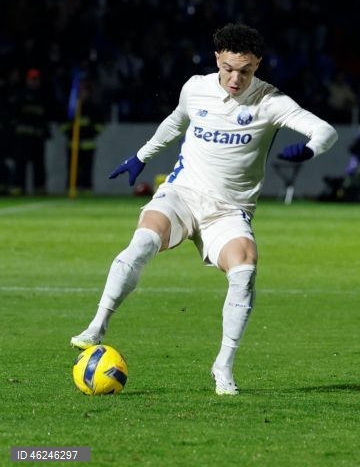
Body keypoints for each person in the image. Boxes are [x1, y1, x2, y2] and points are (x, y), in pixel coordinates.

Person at [70, 24, 338, 395]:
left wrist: (309, 150)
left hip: (229, 210)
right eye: (228, 68)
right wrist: (142, 156)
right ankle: (97, 326)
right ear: (217, 59)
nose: (235, 79)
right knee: (143, 241)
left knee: (245, 269)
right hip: (183, 193)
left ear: (257, 65)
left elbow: (325, 131)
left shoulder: (271, 101)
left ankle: (223, 366)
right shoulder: (195, 88)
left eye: (245, 71)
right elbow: (176, 121)